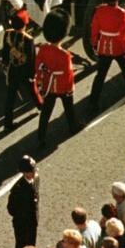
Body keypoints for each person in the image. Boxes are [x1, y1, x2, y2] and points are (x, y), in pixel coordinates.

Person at [35, 11, 82, 149]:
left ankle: (41, 136)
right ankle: (73, 127)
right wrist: (69, 88)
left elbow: (38, 66)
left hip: (48, 85)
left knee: (46, 113)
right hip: (62, 86)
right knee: (69, 109)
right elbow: (68, 74)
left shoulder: (43, 49)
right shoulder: (65, 55)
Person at [1, 5, 42, 133]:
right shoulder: (28, 40)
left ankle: (8, 123)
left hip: (13, 69)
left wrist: (6, 64)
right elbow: (31, 59)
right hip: (25, 71)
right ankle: (41, 107)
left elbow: (5, 52)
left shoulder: (8, 34)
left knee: (10, 97)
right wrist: (33, 74)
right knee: (33, 90)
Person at [7, 155, 39, 248]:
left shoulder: (35, 179)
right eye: (32, 170)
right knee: (21, 245)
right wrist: (22, 216)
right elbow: (11, 209)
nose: (35, 171)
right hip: (22, 223)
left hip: (32, 220)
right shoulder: (17, 189)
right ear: (25, 173)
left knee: (32, 243)